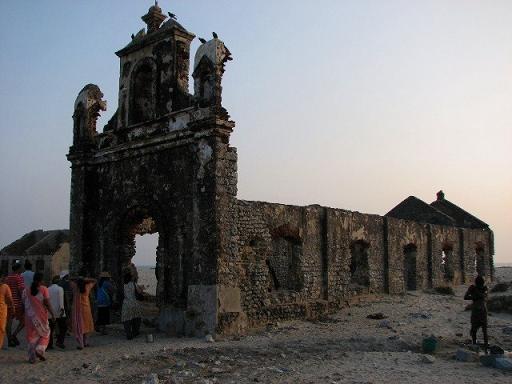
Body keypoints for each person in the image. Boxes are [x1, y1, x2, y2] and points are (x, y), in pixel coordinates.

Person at [22, 272, 55, 363]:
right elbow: (47, 303)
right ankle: (39, 350)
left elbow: (23, 303)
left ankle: (31, 357)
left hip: (29, 316)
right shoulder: (44, 289)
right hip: (41, 316)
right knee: (46, 333)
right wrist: (52, 314)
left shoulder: (26, 290)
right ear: (41, 280)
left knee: (31, 336)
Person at [70, 276, 96, 349]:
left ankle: (81, 343)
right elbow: (94, 280)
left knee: (79, 326)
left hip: (77, 310)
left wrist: (78, 279)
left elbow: (70, 280)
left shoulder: (75, 287)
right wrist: (85, 279)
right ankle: (86, 342)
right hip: (86, 308)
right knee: (87, 326)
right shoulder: (87, 287)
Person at [464, 275, 489, 349]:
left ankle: (479, 344)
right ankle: (482, 344)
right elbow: (465, 297)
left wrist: (475, 296)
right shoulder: (475, 288)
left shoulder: (482, 288)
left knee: (478, 328)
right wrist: (475, 297)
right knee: (481, 329)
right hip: (481, 309)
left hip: (478, 310)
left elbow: (466, 297)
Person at [5, 262, 25, 347]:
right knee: (23, 321)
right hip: (17, 304)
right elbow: (21, 291)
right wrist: (23, 302)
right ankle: (14, 335)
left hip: (8, 303)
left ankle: (9, 340)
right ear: (18, 269)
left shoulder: (7, 278)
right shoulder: (19, 277)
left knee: (9, 322)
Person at [121, 271, 143, 340]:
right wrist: (142, 289)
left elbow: (121, 294)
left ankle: (128, 334)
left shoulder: (123, 285)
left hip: (126, 304)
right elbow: (139, 292)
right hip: (134, 303)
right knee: (136, 318)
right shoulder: (133, 284)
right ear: (131, 278)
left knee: (126, 319)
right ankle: (135, 332)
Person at [48, 275, 67, 349]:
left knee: (50, 329)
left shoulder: (48, 289)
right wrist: (62, 309)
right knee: (63, 327)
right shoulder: (60, 289)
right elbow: (60, 299)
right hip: (59, 312)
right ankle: (60, 341)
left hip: (50, 312)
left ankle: (50, 344)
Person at [0, 273, 14, 350]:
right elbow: (10, 299)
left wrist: (12, 307)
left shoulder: (5, 286)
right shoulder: (5, 287)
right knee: (2, 328)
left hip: (2, 309)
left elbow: (10, 299)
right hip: (2, 309)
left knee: (2, 328)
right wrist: (13, 307)